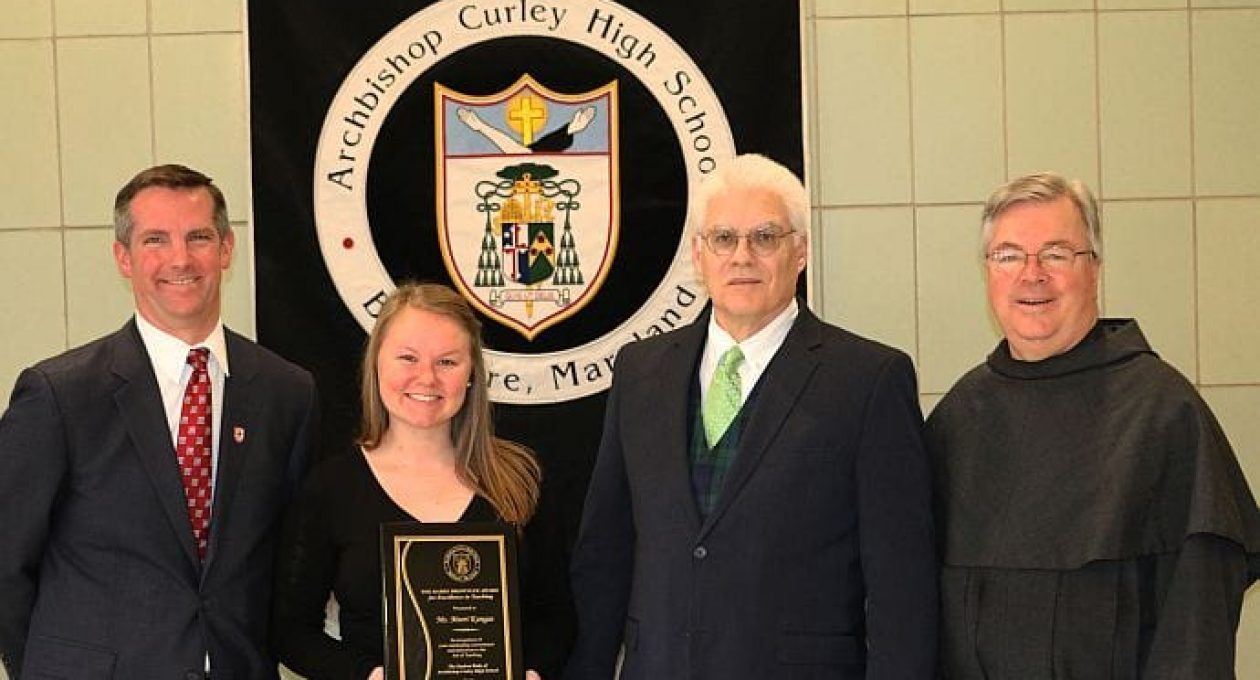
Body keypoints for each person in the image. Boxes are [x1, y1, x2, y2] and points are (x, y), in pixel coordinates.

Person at [565, 154, 937, 679]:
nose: (742, 256)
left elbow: (903, 583)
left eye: (765, 237)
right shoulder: (640, 372)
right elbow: (606, 550)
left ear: (800, 251)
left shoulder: (869, 380)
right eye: (723, 238)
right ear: (699, 254)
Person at [928, 171, 1260, 679]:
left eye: (1057, 254)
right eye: (1010, 255)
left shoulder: (1163, 413)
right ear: (988, 272)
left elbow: (1197, 629)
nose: (1031, 274)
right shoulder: (958, 416)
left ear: (1095, 269)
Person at [0, 164, 319, 678]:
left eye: (198, 237)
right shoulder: (60, 396)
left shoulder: (288, 393)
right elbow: (6, 563)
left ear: (226, 249)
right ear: (123, 258)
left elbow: (289, 563)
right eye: (155, 240)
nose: (180, 258)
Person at [270, 282, 574, 679]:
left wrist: (532, 672)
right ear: (377, 362)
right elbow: (291, 631)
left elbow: (555, 615)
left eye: (447, 362)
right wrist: (370, 676)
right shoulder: (331, 489)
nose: (426, 378)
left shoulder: (520, 479)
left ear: (471, 374)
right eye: (408, 358)